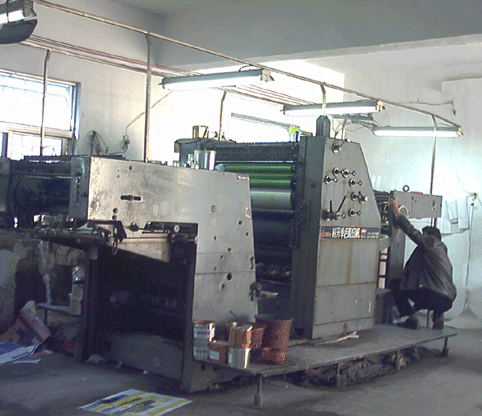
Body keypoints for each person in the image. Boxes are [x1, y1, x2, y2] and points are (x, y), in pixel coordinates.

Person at [387, 198, 457, 330]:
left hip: (432, 295)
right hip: (447, 300)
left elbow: (412, 232)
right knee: (426, 292)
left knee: (396, 285)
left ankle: (410, 318)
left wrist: (397, 213)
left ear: (429, 235)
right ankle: (438, 315)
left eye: (424, 235)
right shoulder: (442, 253)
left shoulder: (430, 242)